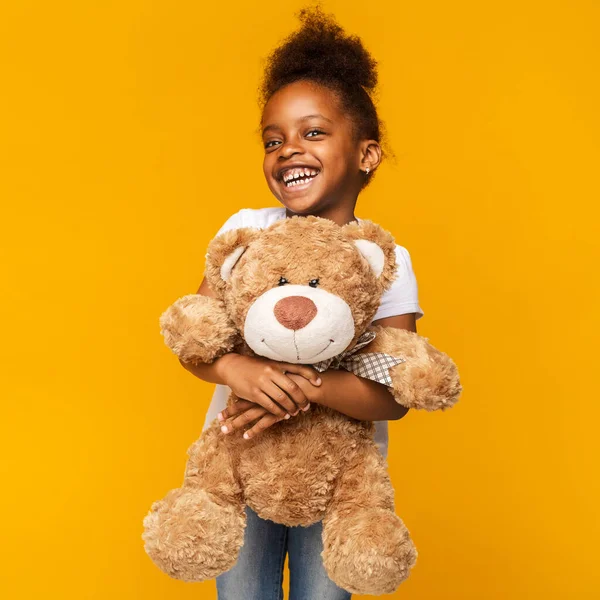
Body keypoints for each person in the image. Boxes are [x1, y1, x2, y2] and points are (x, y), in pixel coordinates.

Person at [178, 6, 424, 599]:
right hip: (240, 453)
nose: (289, 149)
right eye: (273, 140)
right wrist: (235, 368)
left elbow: (395, 396)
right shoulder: (245, 231)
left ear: (367, 154)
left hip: (335, 480)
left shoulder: (383, 259)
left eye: (313, 132)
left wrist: (304, 386)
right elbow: (194, 338)